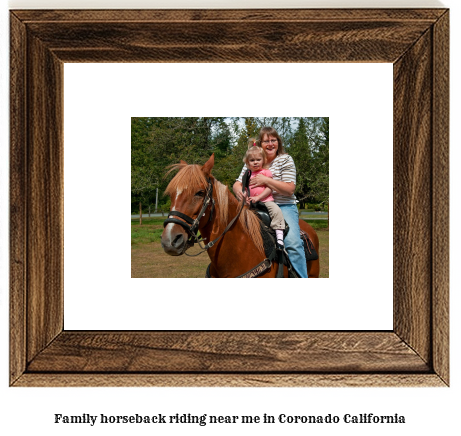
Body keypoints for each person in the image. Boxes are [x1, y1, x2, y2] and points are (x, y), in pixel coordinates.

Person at [233, 127, 308, 277]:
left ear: (278, 142)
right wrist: (241, 193)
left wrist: (265, 180)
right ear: (260, 144)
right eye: (266, 141)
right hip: (254, 205)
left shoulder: (285, 159)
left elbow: (289, 189)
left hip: (283, 205)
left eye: (273, 140)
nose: (270, 144)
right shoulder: (253, 159)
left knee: (293, 243)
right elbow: (237, 183)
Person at [242, 144, 285, 249]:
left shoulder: (266, 172)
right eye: (252, 160)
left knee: (276, 211)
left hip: (267, 201)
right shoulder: (247, 175)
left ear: (263, 160)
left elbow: (269, 188)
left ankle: (279, 236)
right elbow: (246, 188)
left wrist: (258, 197)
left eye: (258, 159)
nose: (255, 162)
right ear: (248, 162)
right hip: (251, 202)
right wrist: (245, 196)